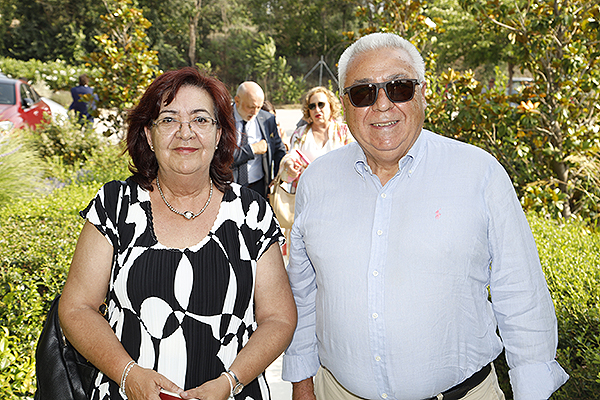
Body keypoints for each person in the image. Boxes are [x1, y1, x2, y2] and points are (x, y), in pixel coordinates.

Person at [282, 32, 568, 400]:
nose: (382, 105)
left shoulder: (479, 173)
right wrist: (302, 384)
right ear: (345, 102)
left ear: (422, 92)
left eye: (399, 87)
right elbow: (304, 295)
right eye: (364, 92)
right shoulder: (317, 181)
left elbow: (521, 295)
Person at [58, 67, 297, 400]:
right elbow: (76, 307)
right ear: (148, 135)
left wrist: (230, 382)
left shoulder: (251, 212)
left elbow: (279, 318)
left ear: (219, 135)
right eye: (168, 120)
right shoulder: (115, 205)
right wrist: (128, 376)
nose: (185, 133)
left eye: (200, 120)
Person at [279, 86, 353, 187]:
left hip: (338, 191)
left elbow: (353, 159)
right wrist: (289, 164)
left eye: (321, 104)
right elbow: (292, 154)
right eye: (312, 106)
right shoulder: (300, 133)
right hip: (307, 193)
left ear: (331, 106)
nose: (317, 110)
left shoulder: (344, 131)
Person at [232, 81, 286, 199]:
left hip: (258, 187)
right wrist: (252, 149)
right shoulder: (222, 119)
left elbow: (279, 149)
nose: (255, 112)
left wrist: (277, 178)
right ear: (237, 100)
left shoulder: (267, 119)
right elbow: (221, 157)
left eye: (259, 107)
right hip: (230, 189)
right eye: (251, 107)